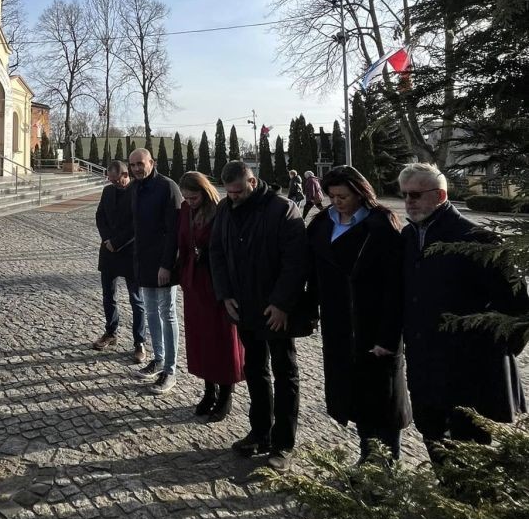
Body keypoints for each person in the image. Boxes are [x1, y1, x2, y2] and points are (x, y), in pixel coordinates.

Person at [398, 163, 527, 455]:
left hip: (470, 374)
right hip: (424, 367)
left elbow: (518, 308)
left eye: (415, 195)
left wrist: (488, 350)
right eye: (403, 194)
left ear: (440, 196)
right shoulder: (407, 237)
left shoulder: (479, 239)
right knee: (433, 439)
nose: (408, 201)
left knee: (470, 452)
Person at [307, 166, 410, 461]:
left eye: (344, 196)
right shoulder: (322, 224)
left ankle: (387, 465)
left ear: (360, 193)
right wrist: (309, 309)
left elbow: (395, 286)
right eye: (332, 196)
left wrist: (388, 336)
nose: (337, 202)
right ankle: (367, 458)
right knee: (356, 397)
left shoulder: (381, 225)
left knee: (383, 400)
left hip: (374, 325)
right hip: (339, 325)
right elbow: (313, 273)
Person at [210, 161, 309, 468]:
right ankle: (260, 432)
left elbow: (296, 261)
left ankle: (283, 443)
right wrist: (225, 294)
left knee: (284, 372)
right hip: (243, 306)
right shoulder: (225, 209)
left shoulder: (283, 209)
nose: (233, 197)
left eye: (238, 191)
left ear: (252, 182)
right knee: (255, 369)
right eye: (229, 192)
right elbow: (216, 252)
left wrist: (281, 303)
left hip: (276, 309)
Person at [177, 172, 245, 420]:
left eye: (194, 197)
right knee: (201, 339)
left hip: (217, 284)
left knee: (222, 340)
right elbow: (182, 243)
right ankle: (209, 391)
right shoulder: (186, 210)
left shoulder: (220, 210)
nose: (190, 201)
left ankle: (225, 393)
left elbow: (230, 248)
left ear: (204, 193)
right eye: (186, 197)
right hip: (195, 284)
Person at [128, 147, 183, 394]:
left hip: (163, 263)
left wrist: (167, 264)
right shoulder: (135, 187)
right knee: (150, 311)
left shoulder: (168, 187)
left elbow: (175, 230)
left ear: (152, 162)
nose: (136, 168)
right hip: (144, 261)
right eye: (133, 165)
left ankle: (170, 370)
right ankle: (159, 359)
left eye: (140, 163)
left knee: (167, 313)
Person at [93, 161, 146, 363]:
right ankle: (110, 332)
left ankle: (139, 342)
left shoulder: (136, 191)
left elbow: (137, 223)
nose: (113, 183)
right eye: (110, 180)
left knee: (136, 300)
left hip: (130, 252)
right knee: (109, 296)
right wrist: (107, 239)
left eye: (116, 180)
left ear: (125, 174)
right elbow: (100, 216)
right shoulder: (107, 191)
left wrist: (117, 242)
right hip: (108, 252)